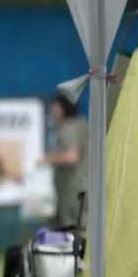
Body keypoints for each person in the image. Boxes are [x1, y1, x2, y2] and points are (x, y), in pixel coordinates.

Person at [40, 93, 88, 230]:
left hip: (73, 191)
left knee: (72, 227)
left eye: (55, 107)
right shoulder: (82, 125)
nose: (52, 111)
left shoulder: (68, 128)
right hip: (83, 189)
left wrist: (48, 158)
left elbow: (72, 156)